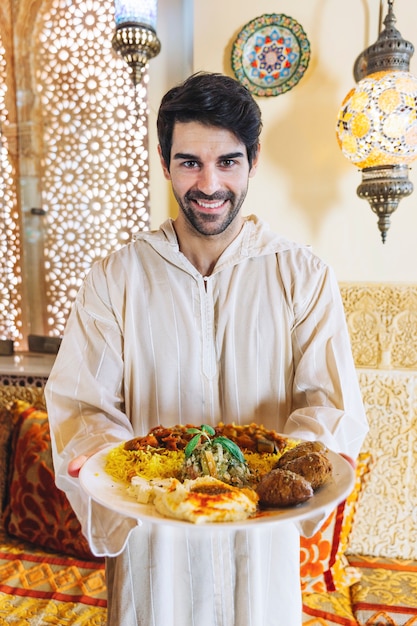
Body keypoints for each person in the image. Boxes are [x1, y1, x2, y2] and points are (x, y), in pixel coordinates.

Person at [45, 71, 368, 626]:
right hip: (156, 547)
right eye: (190, 161)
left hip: (259, 546)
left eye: (228, 162)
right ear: (164, 160)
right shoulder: (115, 278)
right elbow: (83, 407)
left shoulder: (302, 275)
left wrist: (292, 466)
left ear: (254, 159)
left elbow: (330, 405)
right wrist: (105, 456)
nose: (210, 184)